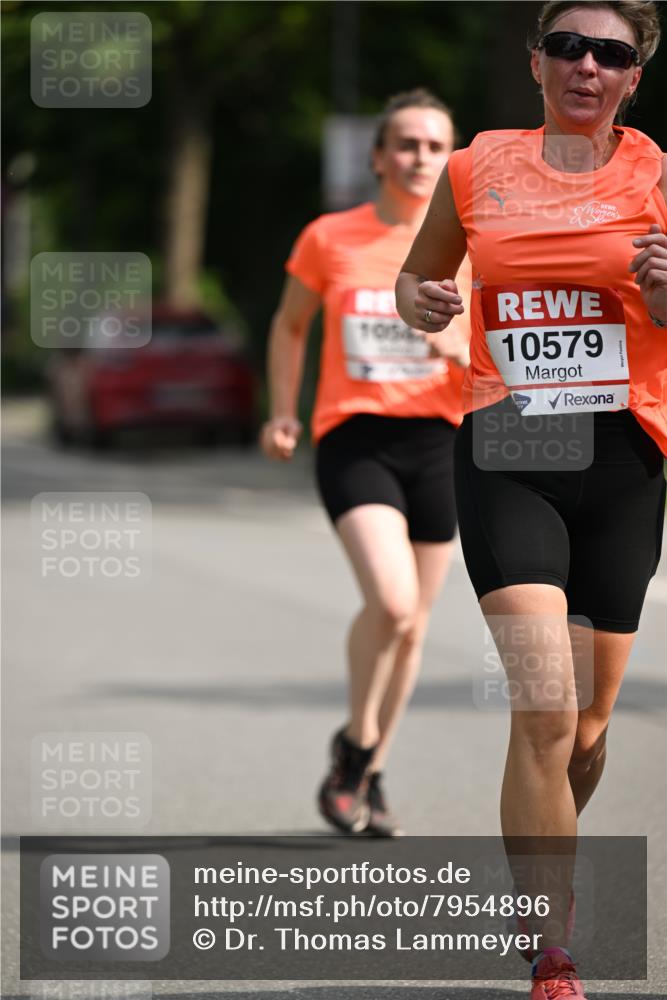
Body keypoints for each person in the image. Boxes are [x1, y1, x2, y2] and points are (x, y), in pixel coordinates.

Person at [396, 3, 666, 996]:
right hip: (510, 440)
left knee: (587, 730)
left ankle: (537, 845)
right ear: (534, 62)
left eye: (611, 53)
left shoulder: (660, 177)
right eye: (568, 46)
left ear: (632, 77)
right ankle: (550, 945)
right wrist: (418, 301)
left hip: (624, 454)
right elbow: (415, 280)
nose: (586, 65)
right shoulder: (475, 168)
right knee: (544, 711)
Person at [261, 89, 471, 838]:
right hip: (355, 437)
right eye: (406, 145)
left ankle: (368, 771)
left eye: (435, 146)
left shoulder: (470, 244)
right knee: (392, 604)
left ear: (452, 161)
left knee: (414, 629)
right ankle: (354, 746)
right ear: (379, 157)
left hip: (442, 443)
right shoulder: (331, 237)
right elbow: (289, 328)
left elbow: (500, 356)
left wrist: (459, 349)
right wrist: (283, 410)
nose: (420, 158)